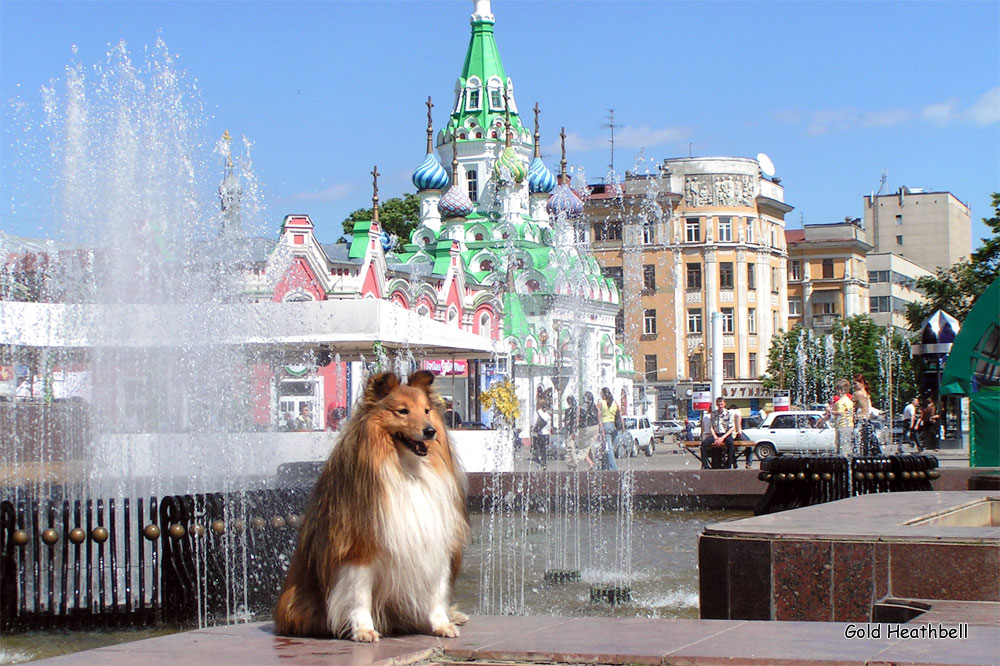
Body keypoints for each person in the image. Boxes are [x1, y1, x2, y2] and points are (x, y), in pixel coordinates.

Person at [700, 397, 735, 469]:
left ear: (724, 404)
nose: (720, 406)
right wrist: (715, 437)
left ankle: (728, 465)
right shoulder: (713, 414)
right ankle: (705, 465)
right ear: (716, 404)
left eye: (721, 404)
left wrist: (723, 438)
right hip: (716, 434)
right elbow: (711, 427)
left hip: (725, 434)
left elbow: (732, 428)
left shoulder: (729, 413)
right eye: (719, 404)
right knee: (704, 443)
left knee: (731, 444)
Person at [853, 374, 881, 456]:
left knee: (860, 444)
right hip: (867, 421)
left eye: (855, 383)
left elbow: (852, 408)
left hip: (860, 421)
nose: (853, 386)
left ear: (861, 382)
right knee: (871, 443)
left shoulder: (857, 393)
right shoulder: (867, 394)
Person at [597, 387, 619, 471]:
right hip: (613, 426)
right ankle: (604, 466)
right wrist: (623, 427)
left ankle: (613, 469)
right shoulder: (615, 403)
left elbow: (598, 416)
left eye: (601, 394)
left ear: (603, 395)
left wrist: (601, 428)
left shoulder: (601, 403)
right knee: (605, 447)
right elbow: (619, 414)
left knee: (608, 448)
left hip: (605, 426)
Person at [832, 379, 854, 455]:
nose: (836, 392)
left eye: (837, 390)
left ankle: (842, 462)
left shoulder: (841, 402)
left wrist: (830, 411)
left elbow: (841, 413)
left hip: (842, 426)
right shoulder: (849, 401)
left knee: (841, 447)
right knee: (846, 446)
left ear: (841, 390)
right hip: (849, 425)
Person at [530, 396, 551, 468]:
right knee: (544, 449)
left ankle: (538, 462)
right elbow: (549, 425)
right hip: (546, 434)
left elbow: (534, 423)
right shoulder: (548, 415)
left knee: (536, 449)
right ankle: (544, 463)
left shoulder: (537, 413)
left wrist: (532, 430)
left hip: (538, 434)